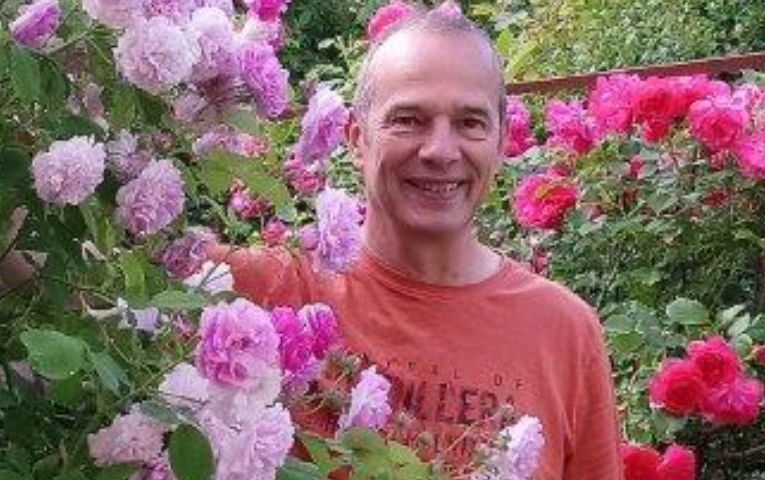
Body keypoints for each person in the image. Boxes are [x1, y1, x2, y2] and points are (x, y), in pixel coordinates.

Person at [214, 6, 623, 480]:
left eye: (471, 123)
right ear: (357, 138)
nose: (440, 151)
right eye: (408, 119)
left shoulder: (563, 332)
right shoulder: (262, 292)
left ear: (499, 144)